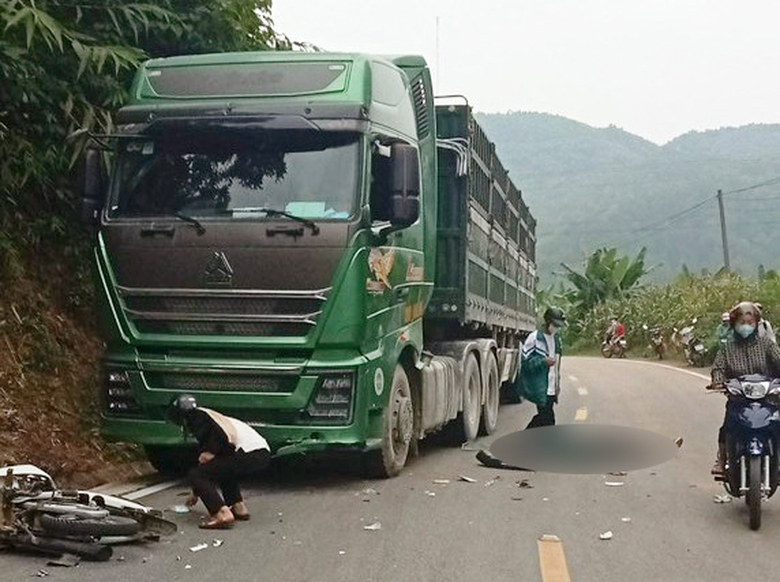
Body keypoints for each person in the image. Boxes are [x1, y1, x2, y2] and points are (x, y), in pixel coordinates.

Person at [169, 394, 271, 529]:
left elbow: (221, 438)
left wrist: (210, 452)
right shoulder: (209, 415)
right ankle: (238, 507)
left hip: (248, 452)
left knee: (197, 474)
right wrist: (196, 491)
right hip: (261, 452)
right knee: (222, 468)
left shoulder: (197, 417)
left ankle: (221, 513)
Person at [709, 302, 780, 474]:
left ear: (756, 324)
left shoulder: (766, 344)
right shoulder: (728, 348)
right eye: (742, 323)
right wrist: (718, 381)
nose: (746, 327)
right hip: (738, 398)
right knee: (727, 427)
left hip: (767, 397)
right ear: (734, 324)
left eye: (750, 323)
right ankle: (722, 459)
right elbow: (718, 368)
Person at [516, 306, 566, 428]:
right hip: (541, 387)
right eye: (555, 325)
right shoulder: (534, 338)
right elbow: (526, 363)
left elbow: (558, 365)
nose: (556, 328)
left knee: (544, 418)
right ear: (548, 322)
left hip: (552, 386)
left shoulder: (557, 340)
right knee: (548, 418)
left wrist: (557, 384)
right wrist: (543, 361)